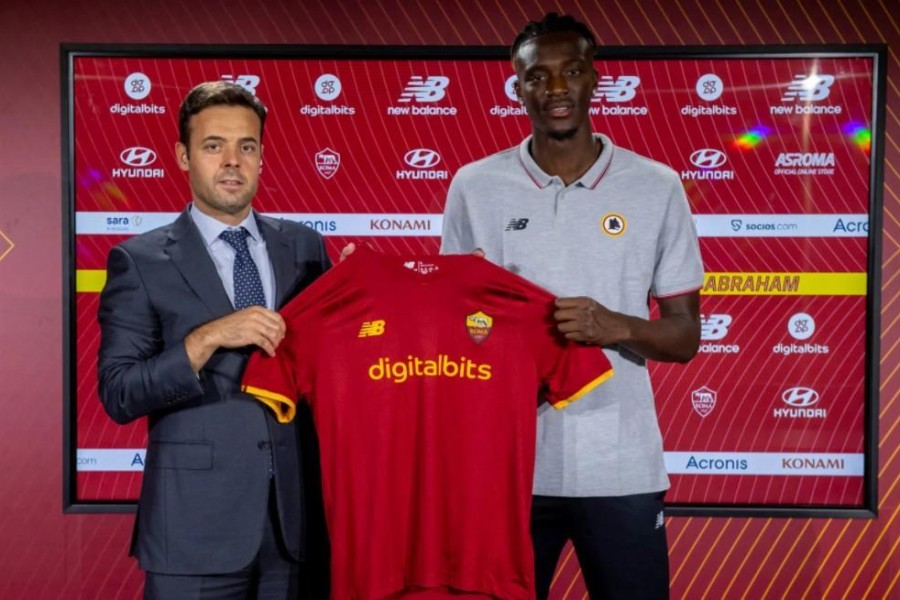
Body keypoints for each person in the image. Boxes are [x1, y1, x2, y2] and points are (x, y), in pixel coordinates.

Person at [441, 13, 703, 600]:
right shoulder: (474, 185)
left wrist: (613, 325)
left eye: (572, 72)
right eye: (538, 76)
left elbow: (685, 337)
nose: (555, 89)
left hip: (621, 469)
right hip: (508, 471)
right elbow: (456, 327)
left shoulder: (656, 185)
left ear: (594, 80)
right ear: (518, 86)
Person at [97, 81, 331, 599]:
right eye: (213, 145)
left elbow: (327, 368)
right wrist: (204, 340)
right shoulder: (139, 260)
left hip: (293, 530)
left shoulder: (307, 247)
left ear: (262, 157)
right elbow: (119, 392)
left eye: (246, 147)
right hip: (192, 532)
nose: (232, 161)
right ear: (183, 156)